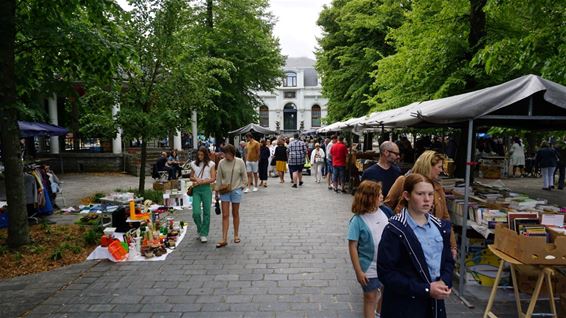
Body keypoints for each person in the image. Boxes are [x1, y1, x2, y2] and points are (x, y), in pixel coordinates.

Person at [377, 174, 454, 318]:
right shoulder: (395, 229)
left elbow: (448, 261)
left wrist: (444, 281)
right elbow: (386, 273)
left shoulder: (440, 227)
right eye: (420, 194)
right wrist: (425, 289)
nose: (427, 199)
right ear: (407, 195)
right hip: (404, 307)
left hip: (435, 307)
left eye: (430, 194)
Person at [385, 150, 458, 259]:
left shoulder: (438, 188)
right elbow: (386, 207)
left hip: (432, 244)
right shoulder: (404, 181)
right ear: (428, 166)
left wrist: (452, 245)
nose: (441, 170)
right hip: (406, 242)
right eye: (439, 167)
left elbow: (445, 218)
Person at [348, 180, 389, 318]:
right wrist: (359, 271)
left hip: (387, 265)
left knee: (386, 292)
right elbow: (352, 246)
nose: (382, 196)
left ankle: (378, 314)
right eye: (379, 194)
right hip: (368, 267)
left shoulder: (385, 212)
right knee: (370, 297)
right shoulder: (357, 220)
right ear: (369, 198)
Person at [215, 144, 248, 248]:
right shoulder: (221, 163)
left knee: (235, 213)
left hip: (236, 190)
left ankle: (236, 235)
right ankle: (224, 238)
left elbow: (244, 176)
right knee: (225, 215)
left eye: (227, 153)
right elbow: (219, 178)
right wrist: (216, 191)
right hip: (225, 191)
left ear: (232, 153)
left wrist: (241, 186)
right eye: (224, 153)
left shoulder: (240, 161)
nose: (225, 156)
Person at [190, 147, 216, 243]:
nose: (199, 156)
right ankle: (200, 229)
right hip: (196, 189)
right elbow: (191, 177)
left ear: (205, 155)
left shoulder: (211, 164)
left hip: (206, 189)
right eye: (198, 154)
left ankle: (204, 233)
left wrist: (203, 181)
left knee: (206, 212)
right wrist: (196, 179)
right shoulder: (193, 164)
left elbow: (213, 178)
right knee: (196, 212)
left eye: (202, 154)